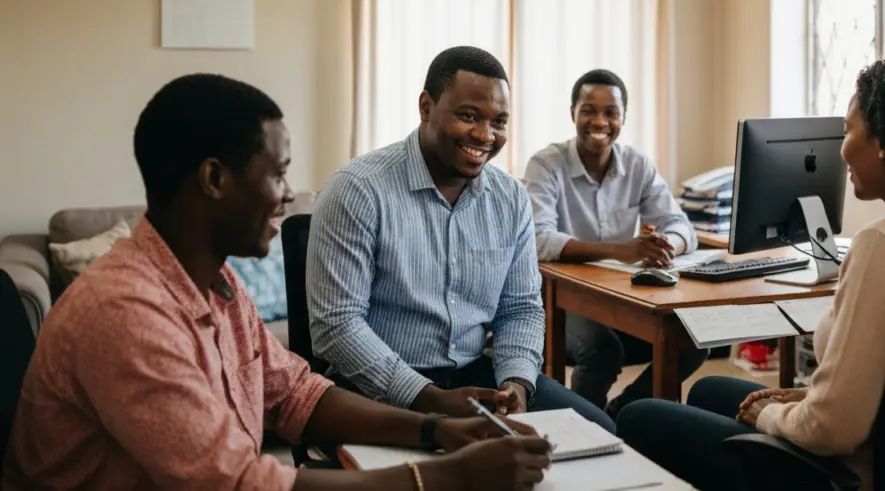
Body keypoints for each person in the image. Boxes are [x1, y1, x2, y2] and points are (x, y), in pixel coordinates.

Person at [1, 73, 553, 491]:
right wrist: (441, 475)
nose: (289, 195)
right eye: (278, 172)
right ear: (215, 179)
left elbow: (294, 393)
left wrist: (435, 430)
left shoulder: (214, 284)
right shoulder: (126, 313)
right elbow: (240, 484)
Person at [615, 57, 885, 491]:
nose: (842, 149)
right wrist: (806, 396)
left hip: (847, 470)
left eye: (849, 130)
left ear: (883, 142)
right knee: (710, 391)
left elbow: (833, 429)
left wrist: (771, 415)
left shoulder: (884, 244)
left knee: (641, 417)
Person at [307, 46, 614, 432]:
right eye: (468, 116)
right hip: (375, 387)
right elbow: (336, 326)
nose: (485, 135)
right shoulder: (358, 190)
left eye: (499, 122)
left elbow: (520, 309)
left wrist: (517, 382)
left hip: (475, 377)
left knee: (599, 433)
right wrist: (429, 397)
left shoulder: (510, 197)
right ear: (425, 107)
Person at [523, 69, 708, 417]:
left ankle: (621, 415)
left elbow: (683, 227)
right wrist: (622, 252)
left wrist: (665, 245)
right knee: (601, 349)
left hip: (622, 293)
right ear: (573, 113)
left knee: (690, 340)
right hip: (560, 299)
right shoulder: (546, 164)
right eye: (589, 110)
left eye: (611, 112)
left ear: (623, 117)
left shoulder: (637, 165)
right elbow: (538, 240)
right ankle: (582, 428)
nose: (600, 121)